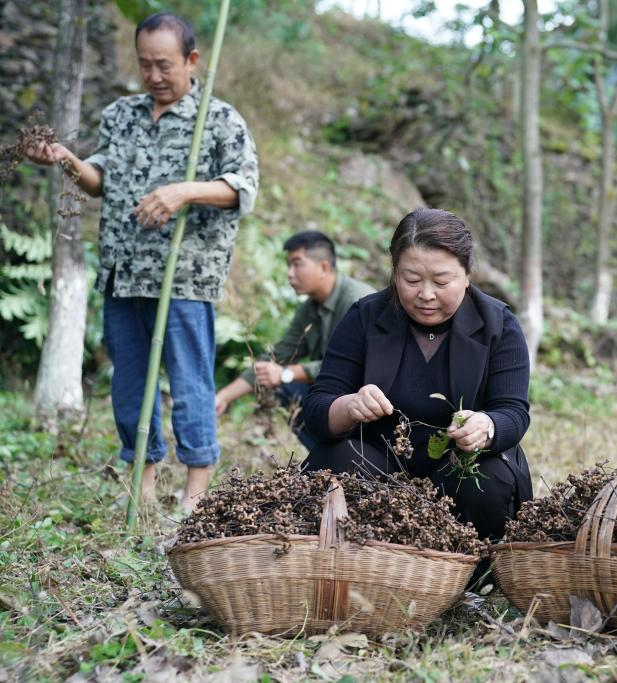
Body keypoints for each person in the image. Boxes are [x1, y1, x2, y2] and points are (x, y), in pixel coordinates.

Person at [26, 12, 259, 512]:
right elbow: (99, 180)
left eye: (164, 65)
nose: (153, 75)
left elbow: (242, 189)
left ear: (192, 60)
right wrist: (66, 159)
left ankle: (196, 492)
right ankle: (143, 483)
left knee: (190, 380)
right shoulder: (121, 114)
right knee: (130, 384)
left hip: (184, 276)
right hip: (124, 271)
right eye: (144, 64)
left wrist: (183, 192)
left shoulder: (219, 120)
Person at [301, 208, 533, 542]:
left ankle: (475, 568)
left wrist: (487, 426)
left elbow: (513, 411)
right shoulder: (365, 317)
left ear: (467, 275)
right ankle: (356, 558)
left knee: (487, 476)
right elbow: (317, 407)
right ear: (395, 273)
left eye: (441, 282)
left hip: (459, 463)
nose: (426, 294)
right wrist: (349, 406)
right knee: (335, 460)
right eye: (411, 280)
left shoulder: (498, 325)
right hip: (378, 466)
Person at [215, 231, 374, 447]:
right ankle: (324, 456)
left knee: (287, 383)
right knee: (284, 389)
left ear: (324, 267)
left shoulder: (358, 301)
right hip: (336, 395)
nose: (290, 274)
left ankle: (343, 455)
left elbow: (354, 366)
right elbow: (278, 356)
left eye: (297, 264)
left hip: (367, 399)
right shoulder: (309, 309)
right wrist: (223, 397)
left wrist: (286, 373)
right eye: (288, 265)